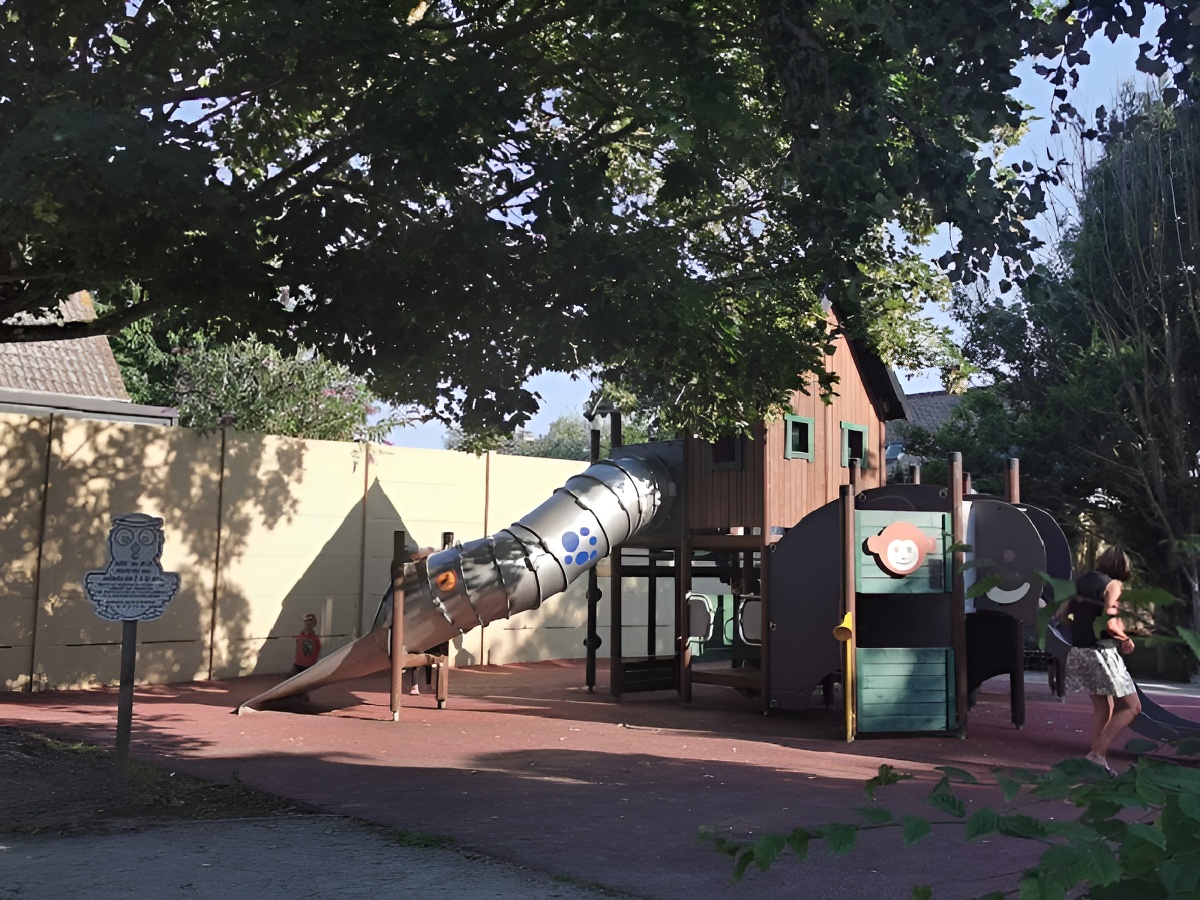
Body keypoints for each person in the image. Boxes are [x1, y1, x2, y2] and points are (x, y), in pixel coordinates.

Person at [1057, 546, 1142, 775]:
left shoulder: (1082, 581)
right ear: (1122, 567)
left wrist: (1081, 628)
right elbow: (1111, 622)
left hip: (1080, 650)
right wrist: (1126, 639)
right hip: (1102, 653)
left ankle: (1095, 762)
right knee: (1133, 707)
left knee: (1103, 707)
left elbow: (1064, 614)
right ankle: (1097, 754)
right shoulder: (1113, 585)